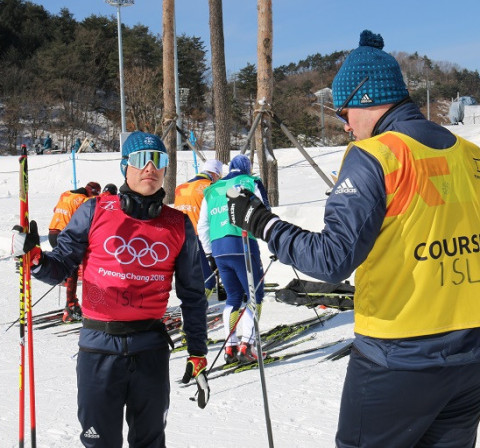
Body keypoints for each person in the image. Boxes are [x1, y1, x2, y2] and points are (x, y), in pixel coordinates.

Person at [226, 29, 480, 447]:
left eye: (345, 112)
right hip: (467, 360)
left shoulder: (376, 155)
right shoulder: (468, 155)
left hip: (397, 357)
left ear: (367, 99)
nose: (345, 126)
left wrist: (264, 225)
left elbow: (331, 259)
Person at [13, 130, 209, 447]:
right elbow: (61, 264)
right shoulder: (94, 211)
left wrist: (198, 351)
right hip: (98, 348)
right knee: (99, 442)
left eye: (159, 160)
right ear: (124, 167)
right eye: (141, 159)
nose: (150, 167)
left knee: (150, 441)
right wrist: (35, 260)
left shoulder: (178, 223)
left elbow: (193, 296)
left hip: (150, 349)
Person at [198, 154, 270, 363]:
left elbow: (203, 224)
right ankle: (247, 345)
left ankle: (230, 347)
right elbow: (264, 211)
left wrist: (210, 253)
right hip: (243, 243)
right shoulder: (251, 181)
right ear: (248, 168)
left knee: (233, 297)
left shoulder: (212, 189)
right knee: (254, 295)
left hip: (219, 247)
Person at [48, 181, 101, 322]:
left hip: (53, 232)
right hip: (66, 236)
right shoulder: (85, 200)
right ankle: (70, 306)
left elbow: (55, 209)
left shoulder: (65, 194)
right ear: (92, 192)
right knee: (73, 269)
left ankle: (70, 300)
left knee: (69, 268)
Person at [174, 159, 223, 297]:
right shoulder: (210, 187)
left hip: (180, 236)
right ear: (215, 174)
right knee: (209, 278)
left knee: (191, 274)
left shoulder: (181, 187)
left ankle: (191, 298)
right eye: (218, 176)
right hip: (199, 235)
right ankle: (200, 304)